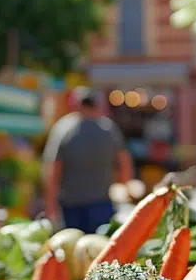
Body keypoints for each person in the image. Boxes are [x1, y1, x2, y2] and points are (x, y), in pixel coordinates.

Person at [42, 88, 132, 232]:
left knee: (74, 248)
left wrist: (50, 205)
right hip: (102, 203)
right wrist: (124, 189)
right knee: (100, 247)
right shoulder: (108, 129)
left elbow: (54, 168)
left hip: (71, 204)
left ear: (76, 104)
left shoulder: (64, 128)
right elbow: (124, 161)